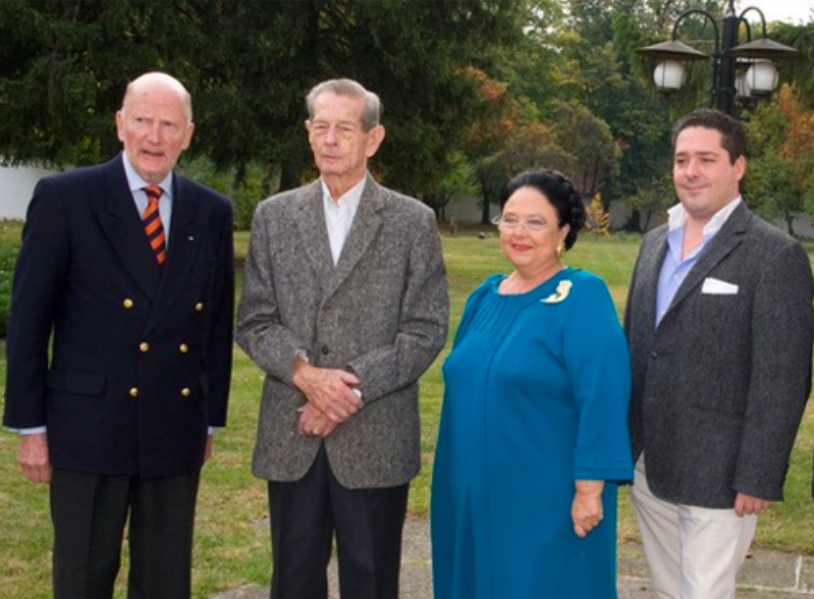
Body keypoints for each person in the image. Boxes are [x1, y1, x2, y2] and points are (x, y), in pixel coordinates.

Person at [3, 72, 235, 599]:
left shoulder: (211, 211)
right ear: (119, 125)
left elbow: (215, 325)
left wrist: (209, 421)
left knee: (164, 580)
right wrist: (29, 427)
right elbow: (29, 321)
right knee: (83, 575)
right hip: (86, 428)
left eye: (169, 125)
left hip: (173, 426)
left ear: (189, 134)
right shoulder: (66, 198)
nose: (155, 137)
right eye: (143, 121)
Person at [235, 78, 449, 599]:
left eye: (345, 129)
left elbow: (425, 329)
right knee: (293, 580)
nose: (331, 140)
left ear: (373, 139)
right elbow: (255, 320)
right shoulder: (274, 217)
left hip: (374, 437)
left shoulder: (411, 222)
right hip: (294, 435)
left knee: (371, 581)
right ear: (308, 133)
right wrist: (307, 378)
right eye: (321, 127)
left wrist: (342, 393)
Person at [625, 108, 813, 599]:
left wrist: (758, 472)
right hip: (649, 462)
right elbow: (640, 346)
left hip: (721, 474)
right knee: (670, 591)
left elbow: (784, 376)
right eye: (682, 159)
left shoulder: (775, 255)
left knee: (705, 593)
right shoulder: (652, 245)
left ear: (738, 167)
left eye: (707, 159)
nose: (691, 171)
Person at [431, 169, 633, 599]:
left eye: (536, 222)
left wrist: (589, 490)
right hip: (469, 490)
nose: (519, 232)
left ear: (564, 230)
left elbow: (603, 396)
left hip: (547, 500)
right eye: (510, 219)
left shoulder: (582, 296)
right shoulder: (484, 296)